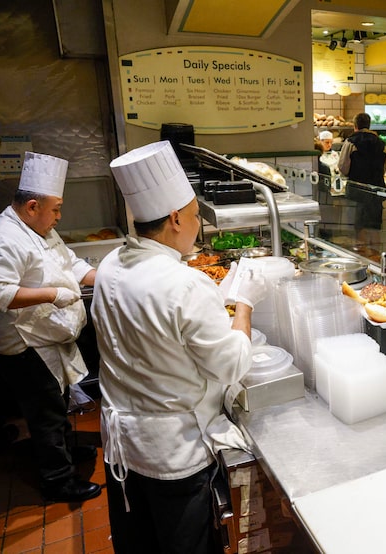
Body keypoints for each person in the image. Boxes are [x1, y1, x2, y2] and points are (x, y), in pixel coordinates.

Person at [92, 141, 266, 553]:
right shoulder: (186, 283)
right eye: (194, 216)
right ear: (174, 219)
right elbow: (231, 365)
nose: (198, 225)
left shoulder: (110, 265)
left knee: (139, 545)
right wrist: (245, 300)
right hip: (174, 455)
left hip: (123, 448)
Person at [0, 152, 100, 502]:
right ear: (32, 206)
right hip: (23, 344)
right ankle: (58, 480)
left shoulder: (40, 229)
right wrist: (51, 294)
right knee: (46, 411)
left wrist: (110, 278)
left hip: (46, 339)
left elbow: (72, 264)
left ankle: (63, 452)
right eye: (56, 209)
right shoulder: (3, 237)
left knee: (57, 401)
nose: (59, 217)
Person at [338, 113, 386, 243]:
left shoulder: (350, 141)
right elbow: (383, 168)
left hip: (357, 191)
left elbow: (343, 167)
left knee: (359, 226)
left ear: (355, 126)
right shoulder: (381, 143)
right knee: (374, 227)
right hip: (376, 191)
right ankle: (375, 259)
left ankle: (361, 257)